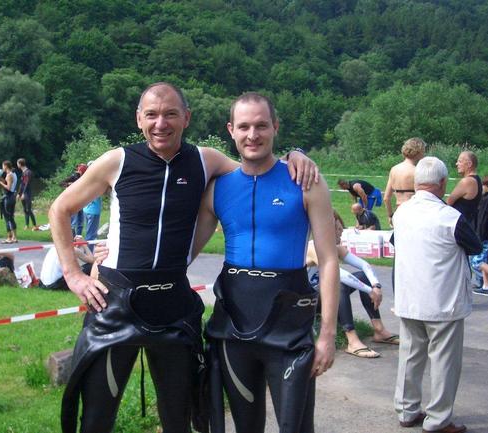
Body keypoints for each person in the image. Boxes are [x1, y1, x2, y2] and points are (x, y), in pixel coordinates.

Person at [49, 82, 318, 433]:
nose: (161, 123)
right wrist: (73, 274)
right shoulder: (117, 161)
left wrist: (295, 155)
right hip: (117, 302)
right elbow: (60, 209)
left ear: (186, 118)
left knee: (181, 418)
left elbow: (255, 164)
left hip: (173, 305)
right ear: (139, 119)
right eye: (152, 115)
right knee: (96, 419)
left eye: (171, 114)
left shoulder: (205, 160)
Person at [189, 92, 338, 433]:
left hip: (289, 327)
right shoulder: (217, 189)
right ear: (231, 130)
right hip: (233, 326)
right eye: (244, 127)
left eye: (261, 126)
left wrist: (327, 335)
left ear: (275, 127)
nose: (252, 135)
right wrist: (112, 258)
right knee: (245, 425)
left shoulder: (305, 182)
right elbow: (183, 252)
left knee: (296, 426)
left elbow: (329, 260)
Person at [393, 156, 481, 433]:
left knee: (409, 357)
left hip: (409, 297)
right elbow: (475, 246)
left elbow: (396, 241)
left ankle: (406, 410)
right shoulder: (450, 218)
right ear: (442, 183)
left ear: (416, 183)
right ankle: (438, 419)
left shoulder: (401, 214)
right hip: (443, 301)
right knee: (444, 363)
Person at [308, 210, 397, 359]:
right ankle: (352, 340)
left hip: (323, 298)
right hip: (308, 301)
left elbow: (364, 265)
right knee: (339, 285)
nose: (342, 233)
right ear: (327, 230)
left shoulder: (336, 248)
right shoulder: (313, 248)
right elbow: (338, 274)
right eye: (338, 229)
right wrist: (369, 291)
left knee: (362, 276)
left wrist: (376, 286)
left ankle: (379, 330)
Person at [383, 137, 426, 227]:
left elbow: (386, 198)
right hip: (413, 213)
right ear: (418, 152)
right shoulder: (417, 171)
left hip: (398, 212)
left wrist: (390, 216)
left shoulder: (394, 169)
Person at [447, 151, 482, 227]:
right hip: (469, 224)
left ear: (469, 164)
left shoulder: (467, 181)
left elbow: (448, 202)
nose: (456, 164)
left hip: (461, 225)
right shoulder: (477, 179)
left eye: (460, 161)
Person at [471, 176, 488, 296]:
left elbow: (482, 220)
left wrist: (478, 235)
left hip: (483, 236)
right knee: (484, 260)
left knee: (477, 261)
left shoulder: (485, 200)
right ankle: (486, 286)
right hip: (484, 235)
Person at [60, 163, 88, 237]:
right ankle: (71, 236)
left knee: (80, 221)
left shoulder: (84, 177)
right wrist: (69, 185)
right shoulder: (74, 176)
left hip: (81, 201)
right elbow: (61, 183)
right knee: (73, 221)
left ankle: (78, 237)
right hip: (73, 201)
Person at [0, 160, 18, 244]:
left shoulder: (9, 175)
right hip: (12, 197)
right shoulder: (13, 173)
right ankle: (14, 237)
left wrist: (0, 183)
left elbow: (8, 187)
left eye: (3, 166)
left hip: (8, 197)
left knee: (7, 218)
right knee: (11, 218)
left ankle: (10, 238)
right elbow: (9, 183)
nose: (2, 167)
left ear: (5, 166)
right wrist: (0, 178)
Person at [17, 158, 39, 231]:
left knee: (28, 210)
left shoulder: (28, 172)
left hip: (27, 193)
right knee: (25, 210)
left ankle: (35, 225)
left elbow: (27, 184)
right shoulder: (23, 172)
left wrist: (23, 193)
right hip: (23, 193)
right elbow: (21, 184)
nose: (17, 165)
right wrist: (19, 193)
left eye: (17, 164)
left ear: (20, 164)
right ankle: (27, 225)